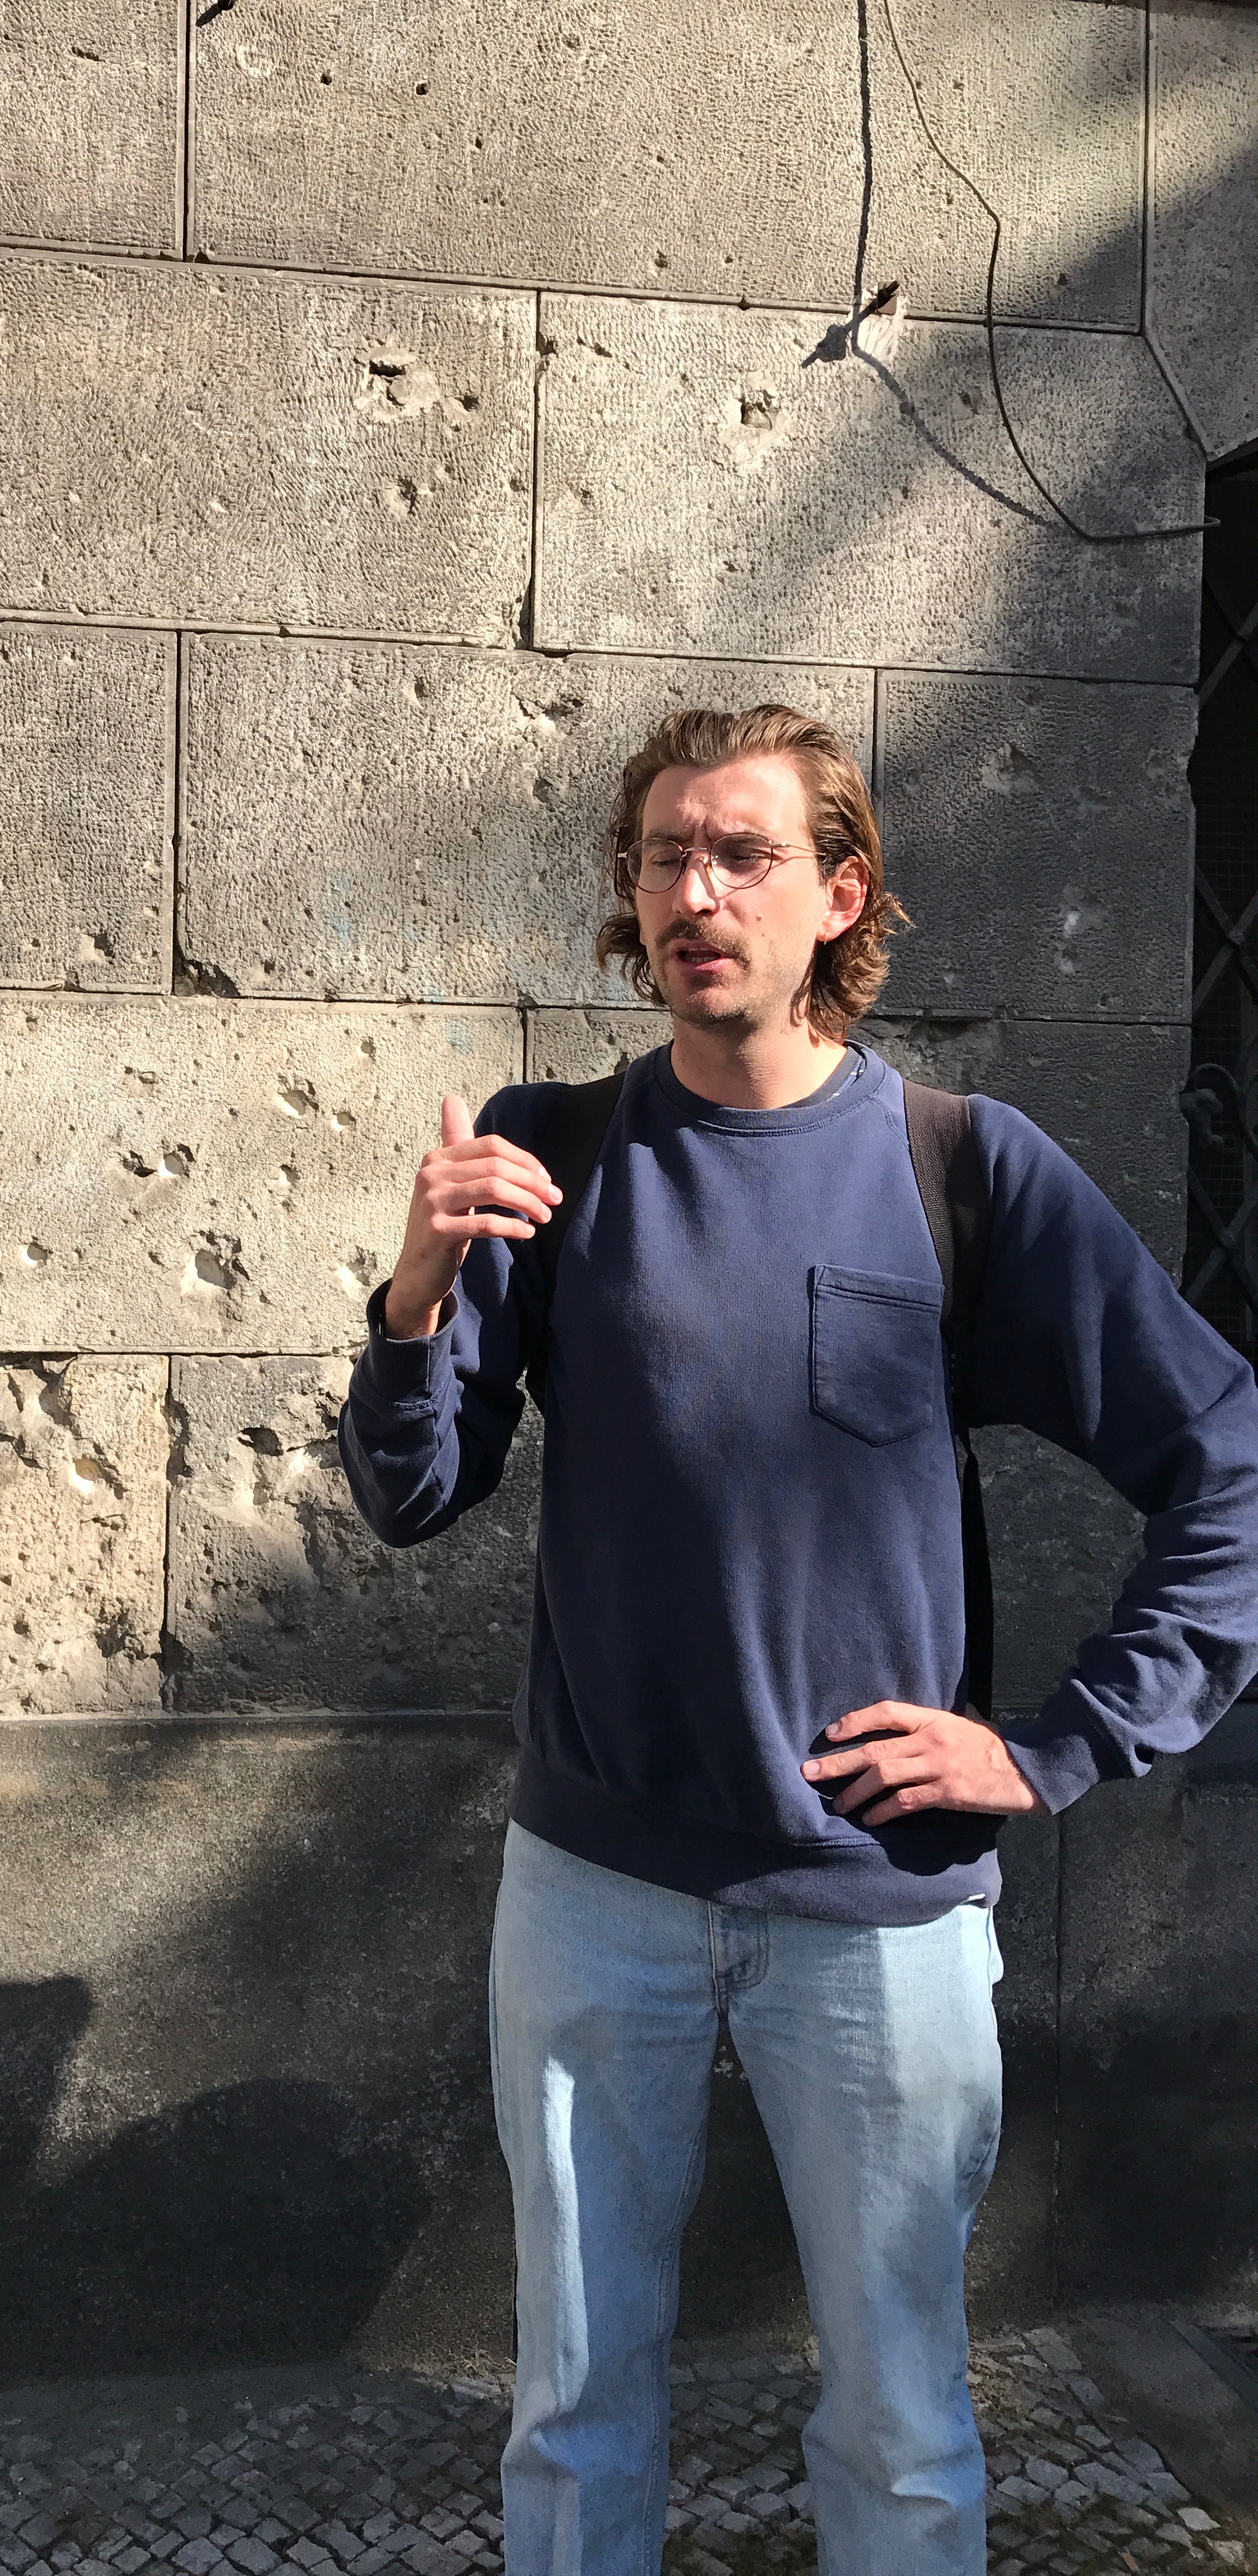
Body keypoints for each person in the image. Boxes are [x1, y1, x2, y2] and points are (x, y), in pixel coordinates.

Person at [338, 703, 1258, 2576]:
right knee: (572, 2407)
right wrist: (416, 1295)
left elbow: (1226, 1460)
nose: (695, 894)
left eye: (742, 856)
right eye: (663, 857)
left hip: (877, 1905)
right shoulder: (551, 1151)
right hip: (595, 1892)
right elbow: (412, 1494)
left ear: (840, 895)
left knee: (905, 2423)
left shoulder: (957, 1165)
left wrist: (1056, 1746)